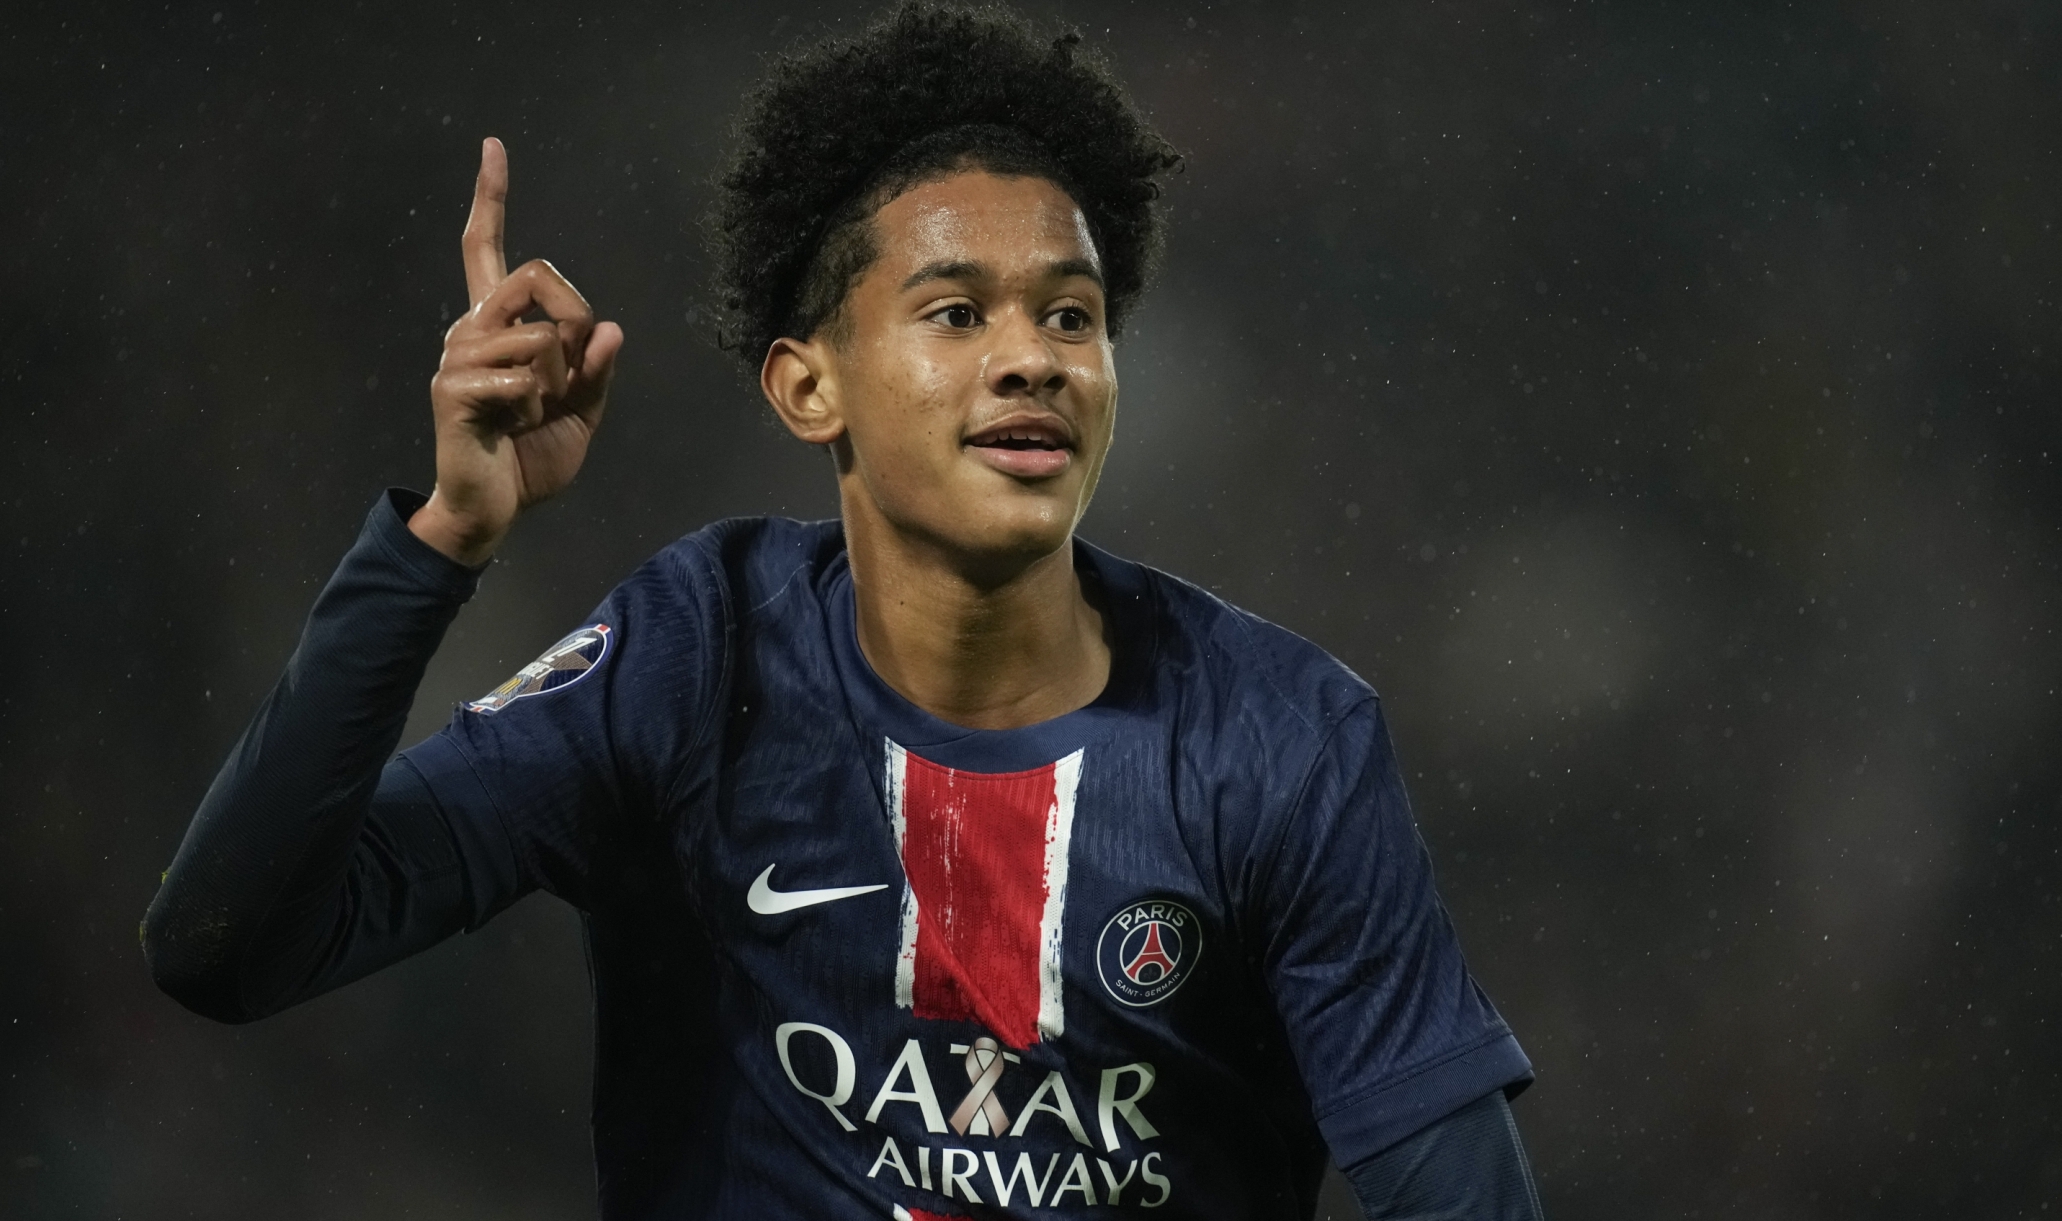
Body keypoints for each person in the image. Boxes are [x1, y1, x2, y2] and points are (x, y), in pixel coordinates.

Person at [143, 4, 1545, 1217]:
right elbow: (228, 945)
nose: (1032, 361)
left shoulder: (1280, 740)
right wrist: (442, 537)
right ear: (809, 384)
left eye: (1071, 317)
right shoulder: (695, 660)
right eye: (955, 313)